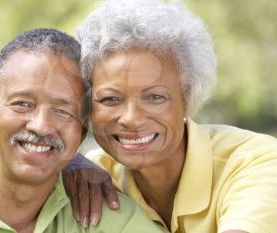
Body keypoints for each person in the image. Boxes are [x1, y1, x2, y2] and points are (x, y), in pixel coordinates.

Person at [63, 0, 277, 232]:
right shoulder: (93, 178)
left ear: (187, 98)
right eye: (110, 99)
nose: (132, 119)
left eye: (155, 97)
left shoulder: (257, 161)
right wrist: (67, 166)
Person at [0, 28, 164, 233]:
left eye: (62, 111)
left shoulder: (111, 217)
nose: (40, 126)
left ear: (81, 131)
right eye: (23, 104)